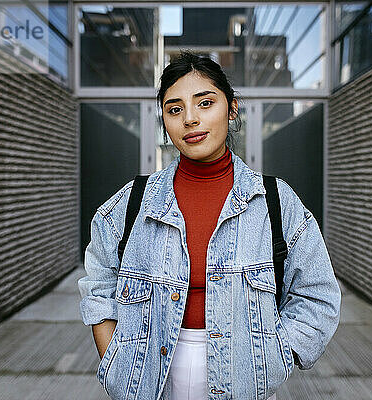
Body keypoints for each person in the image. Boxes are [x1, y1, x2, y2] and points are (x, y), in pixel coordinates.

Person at [78, 51, 341, 400]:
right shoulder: (132, 204)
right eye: (175, 109)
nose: (190, 119)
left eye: (205, 103)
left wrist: (277, 356)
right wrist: (116, 360)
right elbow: (99, 288)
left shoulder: (276, 202)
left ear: (232, 110)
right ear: (165, 120)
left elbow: (318, 294)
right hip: (148, 380)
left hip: (247, 377)